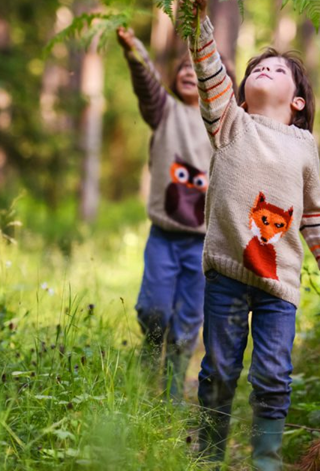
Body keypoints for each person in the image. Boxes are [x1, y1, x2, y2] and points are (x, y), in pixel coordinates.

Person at [184, 0, 320, 471]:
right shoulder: (229, 122)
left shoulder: (304, 148)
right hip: (226, 273)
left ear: (298, 100)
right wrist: (197, 21)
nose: (265, 70)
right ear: (242, 92)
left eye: (278, 70)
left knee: (273, 376)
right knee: (219, 370)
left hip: (279, 287)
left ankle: (266, 460)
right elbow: (209, 73)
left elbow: (315, 219)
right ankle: (207, 456)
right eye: (257, 69)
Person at [117, 26, 212, 401]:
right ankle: (147, 360)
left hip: (203, 243)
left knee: (189, 322)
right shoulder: (164, 111)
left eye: (197, 66)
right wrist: (134, 50)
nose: (190, 71)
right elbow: (146, 83)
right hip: (165, 236)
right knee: (154, 310)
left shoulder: (222, 126)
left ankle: (171, 393)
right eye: (183, 67)